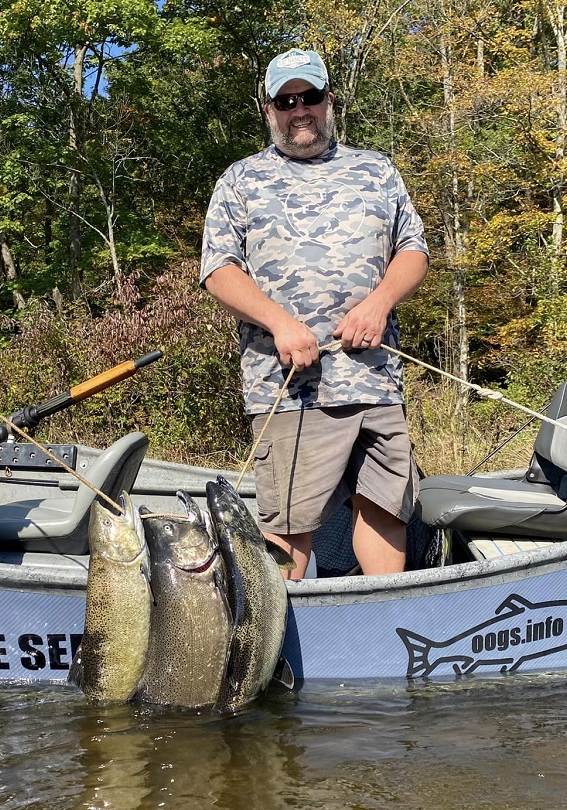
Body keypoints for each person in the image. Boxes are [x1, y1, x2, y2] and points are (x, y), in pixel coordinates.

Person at [200, 49, 429, 578]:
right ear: (268, 109)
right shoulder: (241, 179)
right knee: (287, 525)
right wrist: (280, 323)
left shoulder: (377, 170)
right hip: (290, 388)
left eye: (309, 97)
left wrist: (379, 303)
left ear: (330, 100)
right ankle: (280, 629)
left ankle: (386, 619)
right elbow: (218, 270)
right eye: (286, 101)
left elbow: (413, 250)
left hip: (376, 379)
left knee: (385, 510)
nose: (299, 110)